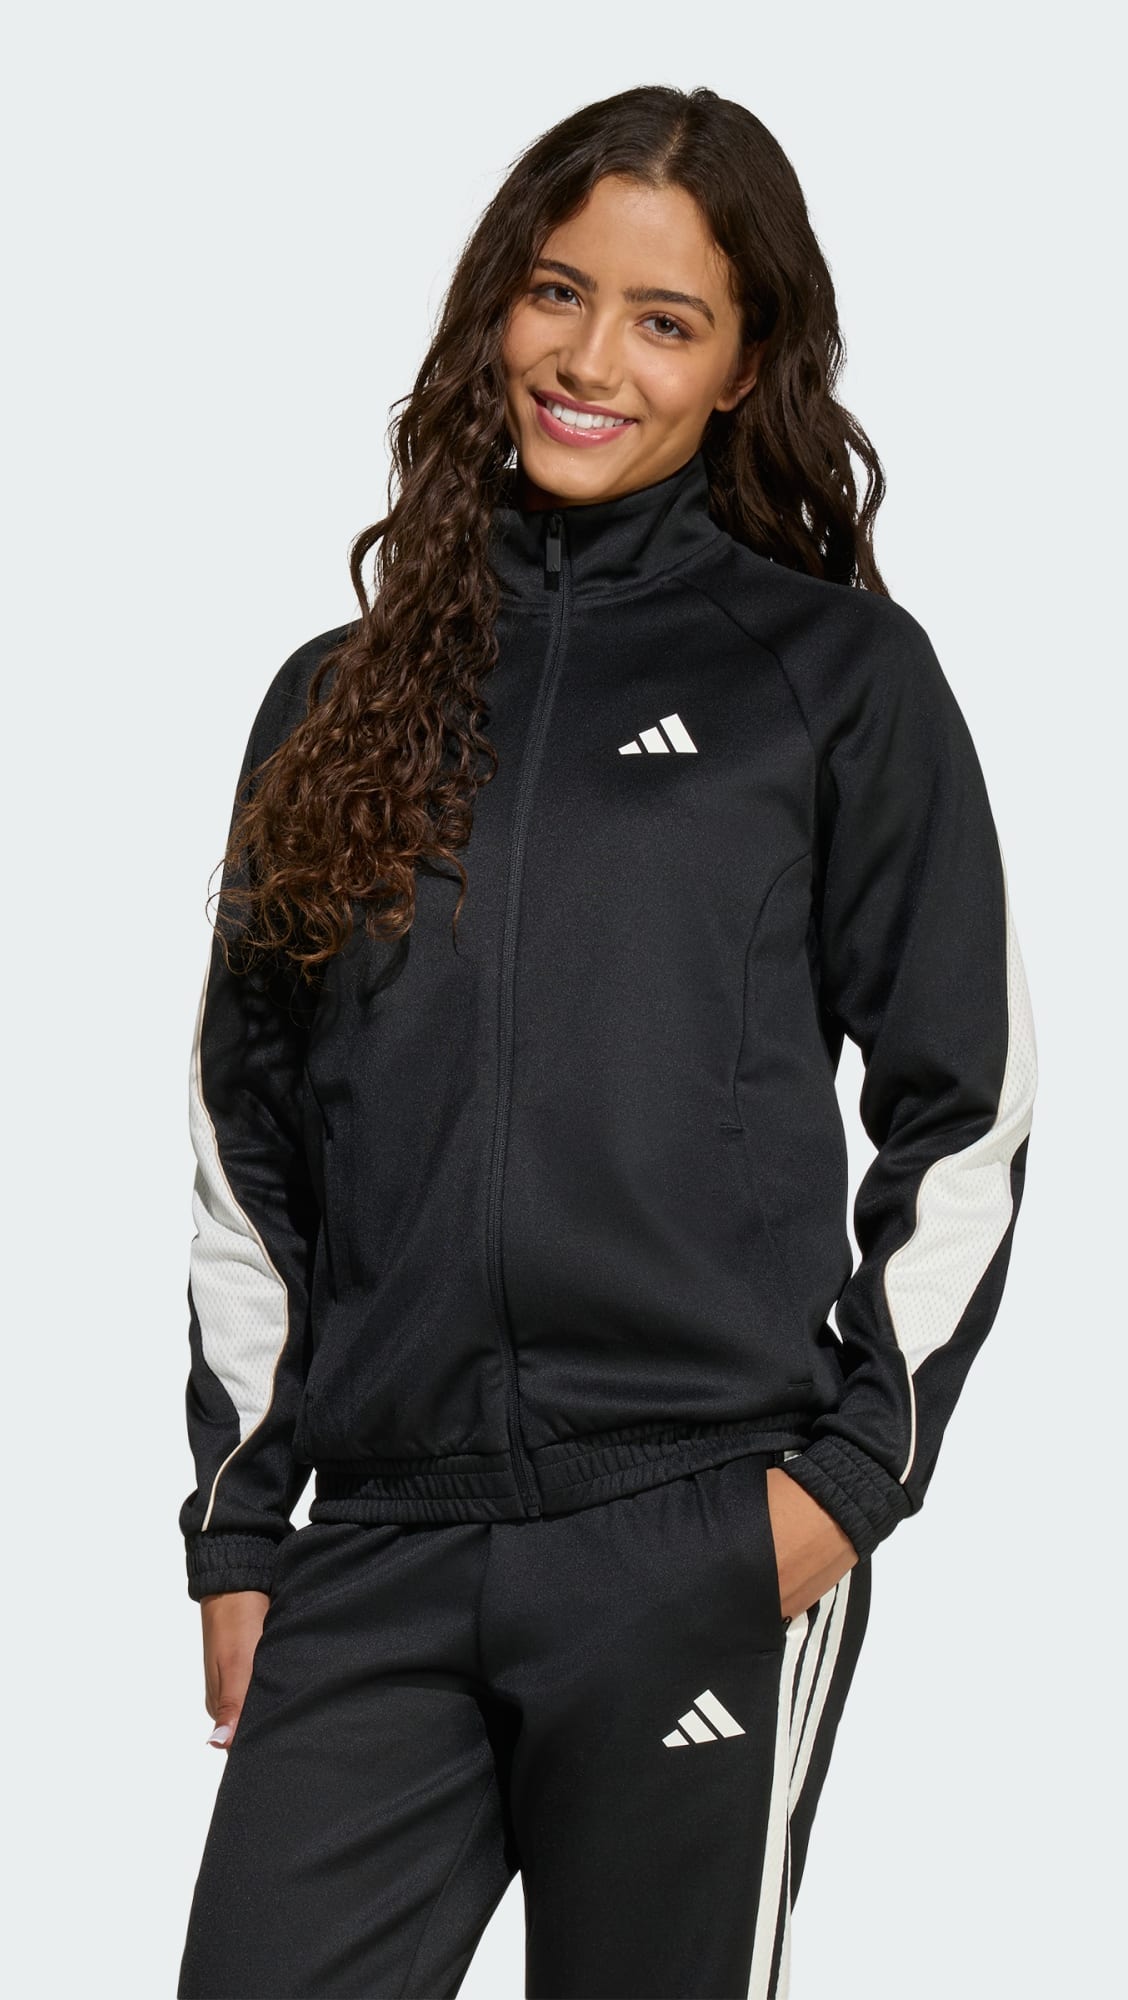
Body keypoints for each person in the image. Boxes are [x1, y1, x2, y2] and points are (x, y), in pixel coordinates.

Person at [175, 84, 1034, 2000]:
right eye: (558, 294)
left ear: (743, 367)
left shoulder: (833, 678)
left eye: (666, 321)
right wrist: (241, 1535)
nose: (590, 362)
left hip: (689, 1526)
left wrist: (838, 1488)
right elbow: (251, 1145)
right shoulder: (334, 700)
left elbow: (965, 1108)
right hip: (380, 1538)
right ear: (497, 305)